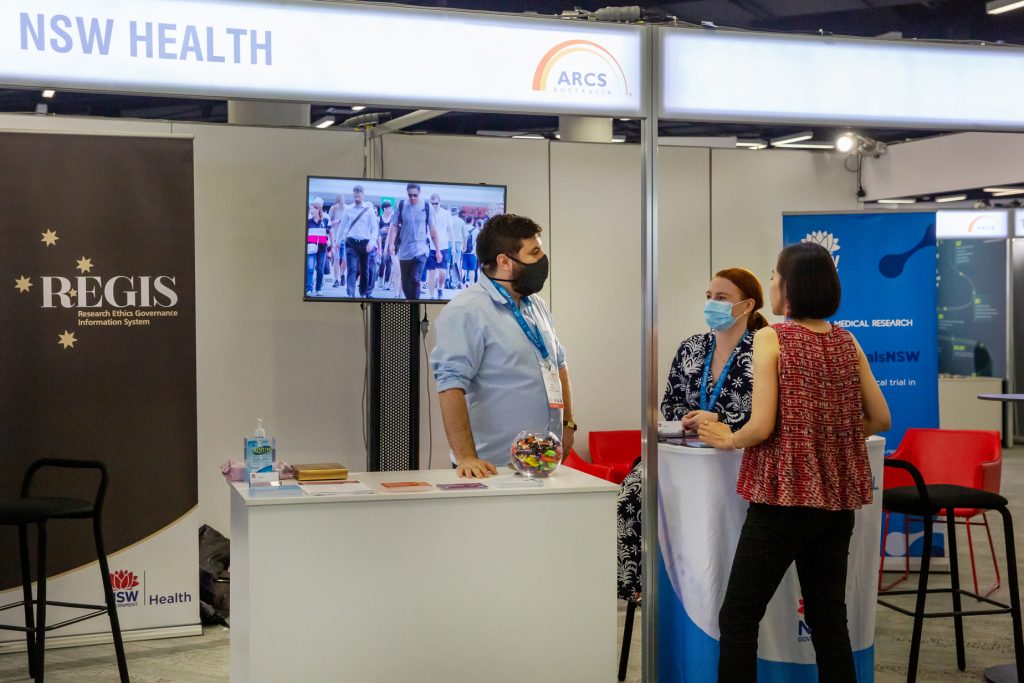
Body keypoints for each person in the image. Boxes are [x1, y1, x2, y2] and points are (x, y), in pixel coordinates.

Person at [699, 243, 891, 683]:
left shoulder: (773, 337)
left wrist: (726, 437)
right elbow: (881, 418)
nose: (771, 282)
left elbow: (761, 426)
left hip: (782, 502)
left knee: (740, 616)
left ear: (790, 289)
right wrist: (829, 433)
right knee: (828, 620)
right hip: (836, 504)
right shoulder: (847, 340)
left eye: (774, 275)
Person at [617, 268, 768, 603]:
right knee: (631, 492)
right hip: (684, 455)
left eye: (722, 298)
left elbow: (770, 414)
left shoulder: (764, 349)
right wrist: (685, 419)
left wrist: (719, 417)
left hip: (739, 457)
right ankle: (637, 587)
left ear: (747, 306)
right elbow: (668, 403)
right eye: (709, 296)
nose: (712, 304)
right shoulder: (692, 347)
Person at [431, 213, 576, 478]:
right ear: (505, 262)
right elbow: (450, 386)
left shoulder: (537, 306)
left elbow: (560, 365)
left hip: (543, 462)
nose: (542, 259)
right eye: (534, 252)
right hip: (492, 469)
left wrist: (568, 425)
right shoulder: (466, 311)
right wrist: (466, 458)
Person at [384, 183, 442, 300]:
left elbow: (432, 229)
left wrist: (437, 250)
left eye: (415, 195)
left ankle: (415, 305)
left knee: (415, 278)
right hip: (404, 251)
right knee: (406, 284)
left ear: (419, 194)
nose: (412, 198)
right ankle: (411, 304)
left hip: (421, 250)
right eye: (410, 195)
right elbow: (394, 226)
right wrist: (391, 244)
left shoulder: (426, 206)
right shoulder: (401, 205)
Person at [339, 185, 379, 298]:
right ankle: (350, 294)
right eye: (355, 196)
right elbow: (342, 226)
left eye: (359, 197)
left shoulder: (369, 209)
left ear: (363, 196)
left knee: (364, 270)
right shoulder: (349, 209)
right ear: (353, 195)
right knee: (352, 268)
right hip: (351, 242)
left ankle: (363, 293)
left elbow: (375, 228)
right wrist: (337, 242)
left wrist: (372, 241)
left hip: (365, 243)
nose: (357, 199)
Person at [426, 193, 453, 300]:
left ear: (439, 203)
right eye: (432, 204)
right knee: (431, 272)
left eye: (436, 203)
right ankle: (432, 295)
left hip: (443, 246)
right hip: (430, 246)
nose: (434, 205)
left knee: (442, 272)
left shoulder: (446, 214)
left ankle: (440, 288)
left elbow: (450, 229)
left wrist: (454, 245)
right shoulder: (427, 214)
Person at [305, 197, 330, 296]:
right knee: (310, 268)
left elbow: (329, 232)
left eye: (313, 208)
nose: (311, 210)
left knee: (320, 270)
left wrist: (331, 244)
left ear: (318, 209)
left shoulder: (325, 220)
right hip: (311, 248)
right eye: (311, 208)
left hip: (322, 248)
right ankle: (309, 289)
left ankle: (318, 289)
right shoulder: (308, 221)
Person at [328, 193, 347, 289]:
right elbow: (328, 224)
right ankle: (336, 279)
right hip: (335, 238)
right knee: (336, 259)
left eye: (343, 202)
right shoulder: (333, 209)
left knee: (344, 260)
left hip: (346, 238)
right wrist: (337, 221)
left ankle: (342, 274)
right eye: (340, 203)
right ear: (337, 202)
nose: (341, 205)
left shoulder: (348, 208)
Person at [377, 200, 396, 291]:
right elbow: (377, 233)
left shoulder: (392, 219)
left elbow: (393, 231)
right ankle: (380, 278)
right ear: (385, 209)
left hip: (390, 243)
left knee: (389, 263)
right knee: (383, 262)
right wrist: (382, 230)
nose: (391, 209)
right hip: (381, 243)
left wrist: (387, 230)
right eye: (390, 207)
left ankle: (386, 282)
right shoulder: (379, 219)